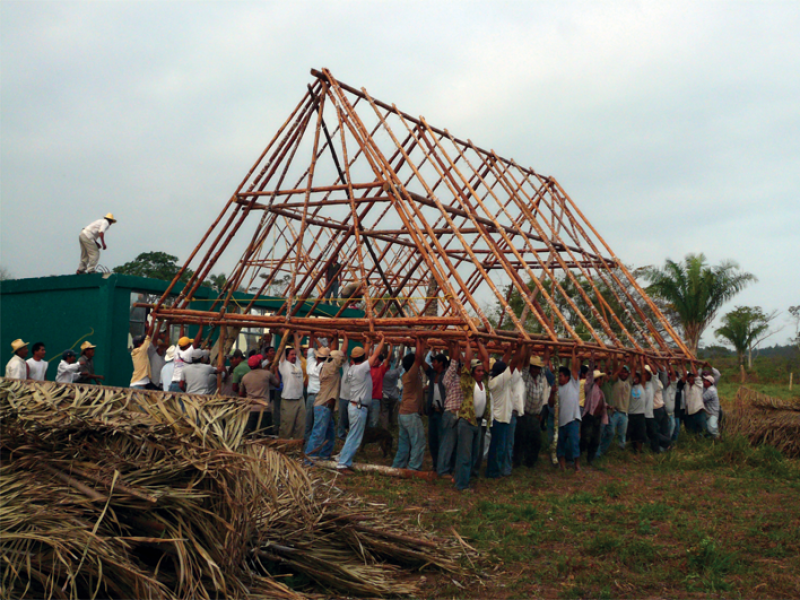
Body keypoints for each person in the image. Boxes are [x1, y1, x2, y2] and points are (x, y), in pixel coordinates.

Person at [337, 333, 386, 474]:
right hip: (358, 408)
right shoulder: (361, 369)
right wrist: (382, 340)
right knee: (355, 437)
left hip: (354, 406)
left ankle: (342, 458)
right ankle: (343, 464)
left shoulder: (351, 369)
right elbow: (375, 354)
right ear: (363, 357)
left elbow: (368, 355)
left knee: (353, 435)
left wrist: (367, 342)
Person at [453, 340, 491, 491]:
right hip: (467, 422)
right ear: (472, 372)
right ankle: (461, 485)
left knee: (475, 455)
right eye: (478, 371)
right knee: (465, 455)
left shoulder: (484, 383)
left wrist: (478, 342)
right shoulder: (468, 382)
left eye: (482, 371)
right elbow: (467, 360)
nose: (481, 373)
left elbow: (486, 359)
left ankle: (465, 479)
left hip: (478, 422)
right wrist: (468, 342)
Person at [486, 344, 523, 479]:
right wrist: (518, 348)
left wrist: (510, 350)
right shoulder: (499, 381)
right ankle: (493, 472)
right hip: (499, 419)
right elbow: (512, 364)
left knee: (498, 447)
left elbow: (506, 363)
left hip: (501, 418)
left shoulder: (495, 379)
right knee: (498, 449)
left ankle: (495, 471)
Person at [392, 338, 427, 471]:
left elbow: (416, 359)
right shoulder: (412, 374)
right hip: (410, 413)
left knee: (404, 442)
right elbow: (418, 359)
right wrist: (420, 340)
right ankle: (413, 468)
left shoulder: (406, 374)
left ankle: (398, 466)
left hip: (403, 413)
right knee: (419, 442)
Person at [515, 350, 553, 468]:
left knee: (536, 441)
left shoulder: (540, 378)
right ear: (530, 368)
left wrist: (546, 347)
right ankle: (517, 463)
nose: (536, 370)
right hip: (525, 415)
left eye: (538, 368)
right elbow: (525, 364)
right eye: (534, 368)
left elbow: (545, 362)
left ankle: (530, 463)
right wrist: (528, 347)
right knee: (521, 440)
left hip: (536, 416)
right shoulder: (526, 377)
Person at [438, 340, 466, 478]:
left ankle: (449, 468)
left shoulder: (461, 379)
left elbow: (459, 360)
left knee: (454, 444)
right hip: (451, 414)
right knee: (447, 444)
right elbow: (454, 361)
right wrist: (459, 345)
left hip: (458, 415)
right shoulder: (449, 378)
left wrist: (455, 347)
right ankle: (442, 470)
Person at [555, 347, 582, 472]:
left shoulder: (573, 384)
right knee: (560, 444)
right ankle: (562, 466)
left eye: (561, 376)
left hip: (572, 419)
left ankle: (577, 465)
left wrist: (573, 351)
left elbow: (574, 367)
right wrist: (551, 393)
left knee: (574, 443)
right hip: (561, 421)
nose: (559, 378)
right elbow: (551, 403)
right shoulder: (557, 389)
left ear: (567, 377)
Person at [597, 359, 631, 457]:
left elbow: (615, 371)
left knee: (611, 433)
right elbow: (611, 369)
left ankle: (602, 450)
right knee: (601, 433)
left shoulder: (610, 383)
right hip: (604, 413)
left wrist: (616, 357)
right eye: (607, 374)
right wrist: (613, 357)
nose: (609, 375)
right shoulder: (602, 384)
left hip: (610, 413)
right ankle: (597, 452)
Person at [240, 354, 279, 436]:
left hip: (251, 409)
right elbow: (277, 384)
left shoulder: (245, 377)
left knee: (249, 435)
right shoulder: (267, 374)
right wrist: (275, 371)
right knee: (267, 435)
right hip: (265, 409)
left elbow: (241, 393)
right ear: (260, 364)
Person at [278, 332, 306, 440]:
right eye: (291, 354)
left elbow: (298, 349)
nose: (294, 356)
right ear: (286, 356)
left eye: (295, 354)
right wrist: (285, 335)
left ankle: (297, 449)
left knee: (300, 426)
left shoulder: (298, 364)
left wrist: (295, 335)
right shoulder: (283, 365)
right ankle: (283, 448)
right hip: (288, 400)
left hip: (300, 399)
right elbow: (281, 350)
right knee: (287, 427)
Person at [425, 353, 450, 472]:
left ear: (441, 363)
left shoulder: (446, 376)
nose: (432, 364)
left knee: (442, 440)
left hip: (442, 412)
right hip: (432, 412)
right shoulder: (432, 374)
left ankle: (442, 465)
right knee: (433, 440)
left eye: (435, 361)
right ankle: (436, 464)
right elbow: (420, 361)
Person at [580, 363, 607, 466]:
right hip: (589, 417)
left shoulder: (600, 392)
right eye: (600, 379)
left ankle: (590, 459)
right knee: (586, 438)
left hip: (597, 418)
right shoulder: (590, 388)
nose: (601, 381)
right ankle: (580, 452)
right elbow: (589, 379)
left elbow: (602, 402)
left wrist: (607, 406)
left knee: (595, 440)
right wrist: (592, 358)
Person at [170, 326, 204, 393]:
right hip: (181, 385)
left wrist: (182, 325)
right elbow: (196, 341)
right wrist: (201, 327)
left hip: (173, 384)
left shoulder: (177, 351)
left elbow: (181, 338)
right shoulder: (188, 353)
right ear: (187, 346)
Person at [303, 335, 324, 442]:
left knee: (308, 423)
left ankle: (307, 445)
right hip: (320, 397)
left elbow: (310, 350)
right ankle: (315, 446)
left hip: (310, 396)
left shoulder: (310, 364)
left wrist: (312, 335)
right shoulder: (325, 365)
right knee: (318, 424)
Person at [626, 360, 647, 453]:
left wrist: (642, 361)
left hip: (640, 413)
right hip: (631, 413)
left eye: (638, 377)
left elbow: (643, 372)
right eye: (635, 377)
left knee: (640, 434)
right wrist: (632, 359)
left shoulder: (642, 385)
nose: (636, 379)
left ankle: (639, 450)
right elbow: (633, 371)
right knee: (630, 433)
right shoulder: (630, 385)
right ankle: (630, 449)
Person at [368, 346, 392, 428]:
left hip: (375, 399)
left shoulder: (381, 369)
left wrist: (391, 347)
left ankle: (373, 437)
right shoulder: (368, 367)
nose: (374, 360)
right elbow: (369, 356)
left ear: (380, 362)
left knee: (374, 421)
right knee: (365, 419)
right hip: (366, 398)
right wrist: (371, 346)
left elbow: (388, 360)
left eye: (376, 359)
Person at [381, 351, 403, 429]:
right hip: (393, 395)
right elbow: (401, 367)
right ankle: (394, 424)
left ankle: (385, 427)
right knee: (394, 411)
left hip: (384, 394)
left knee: (385, 412)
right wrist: (401, 357)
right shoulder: (393, 373)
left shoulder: (382, 372)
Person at [682, 366, 706, 434]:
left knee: (702, 431)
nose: (690, 378)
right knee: (691, 432)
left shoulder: (699, 385)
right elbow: (684, 375)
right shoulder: (686, 386)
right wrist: (683, 364)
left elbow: (696, 375)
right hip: (689, 413)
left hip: (698, 411)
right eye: (689, 377)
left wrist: (691, 363)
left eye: (692, 377)